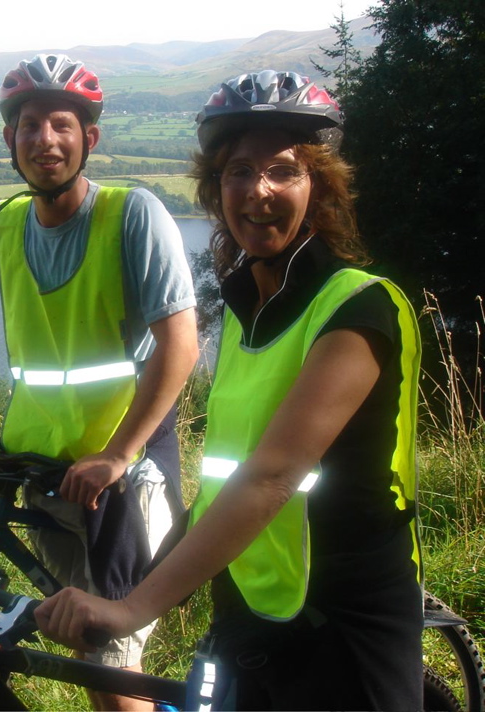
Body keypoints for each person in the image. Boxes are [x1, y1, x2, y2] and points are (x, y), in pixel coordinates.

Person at [35, 69, 424, 710]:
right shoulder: (248, 315)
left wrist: (133, 608)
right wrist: (130, 592)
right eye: (238, 171)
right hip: (248, 610)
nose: (258, 191)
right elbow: (225, 481)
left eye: (283, 171)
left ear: (319, 186)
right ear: (216, 189)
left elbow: (272, 476)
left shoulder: (358, 309)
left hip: (340, 625)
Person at [0, 54, 199, 710]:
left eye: (63, 124)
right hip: (42, 470)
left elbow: (181, 346)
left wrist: (117, 454)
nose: (45, 140)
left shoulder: (131, 216)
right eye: (29, 125)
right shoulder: (4, 225)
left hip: (120, 479)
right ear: (9, 140)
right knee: (79, 643)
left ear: (90, 138)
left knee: (110, 662)